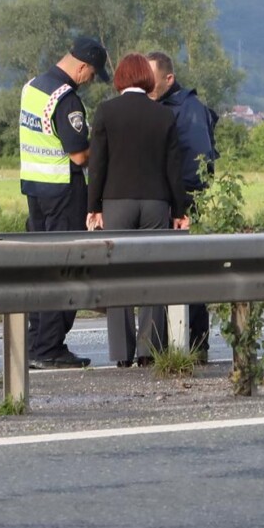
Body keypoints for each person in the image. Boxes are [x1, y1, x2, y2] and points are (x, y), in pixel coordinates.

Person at [86, 53, 191, 367]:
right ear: (146, 78)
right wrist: (179, 210)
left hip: (117, 202)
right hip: (156, 203)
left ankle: (121, 354)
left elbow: (97, 164)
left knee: (118, 276)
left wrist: (93, 208)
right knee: (152, 274)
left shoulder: (106, 112)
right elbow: (174, 167)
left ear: (120, 79)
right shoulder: (163, 115)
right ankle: (149, 350)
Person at [19, 36, 109, 369]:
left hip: (35, 189)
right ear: (83, 66)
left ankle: (35, 343)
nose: (89, 81)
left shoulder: (33, 86)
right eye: (91, 75)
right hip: (62, 190)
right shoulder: (66, 99)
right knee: (65, 268)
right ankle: (49, 348)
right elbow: (79, 153)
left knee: (43, 270)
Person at [146, 51, 219, 360]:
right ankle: (188, 343)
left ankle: (195, 344)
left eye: (151, 81)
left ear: (169, 78)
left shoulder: (184, 110)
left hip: (184, 200)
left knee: (187, 271)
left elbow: (195, 163)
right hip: (178, 197)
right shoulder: (179, 105)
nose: (147, 88)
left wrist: (182, 204)